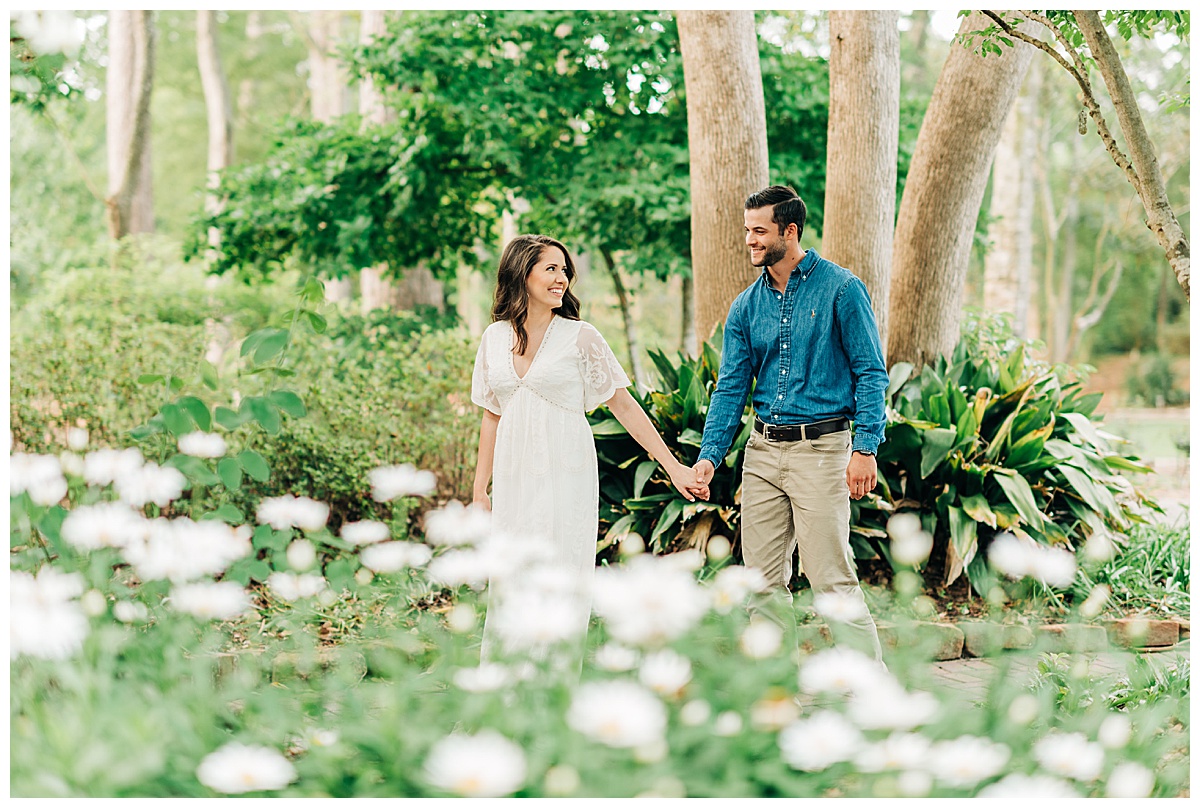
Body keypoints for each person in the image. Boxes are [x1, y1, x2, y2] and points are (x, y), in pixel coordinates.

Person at [471, 234, 705, 668]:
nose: (562, 279)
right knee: (512, 578)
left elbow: (623, 404)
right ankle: (504, 688)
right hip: (514, 478)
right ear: (521, 273)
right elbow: (491, 415)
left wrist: (673, 466)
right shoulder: (493, 338)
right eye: (551, 269)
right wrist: (479, 489)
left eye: (564, 270)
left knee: (559, 579)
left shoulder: (581, 337)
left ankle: (552, 691)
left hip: (566, 474)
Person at [693, 185, 886, 663]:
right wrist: (709, 456)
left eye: (759, 231)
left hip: (821, 452)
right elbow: (731, 388)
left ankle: (873, 692)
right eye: (747, 231)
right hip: (761, 454)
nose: (750, 240)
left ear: (790, 230)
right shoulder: (744, 307)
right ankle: (775, 692)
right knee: (761, 583)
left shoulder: (841, 289)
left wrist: (865, 448)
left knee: (831, 581)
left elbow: (871, 371)